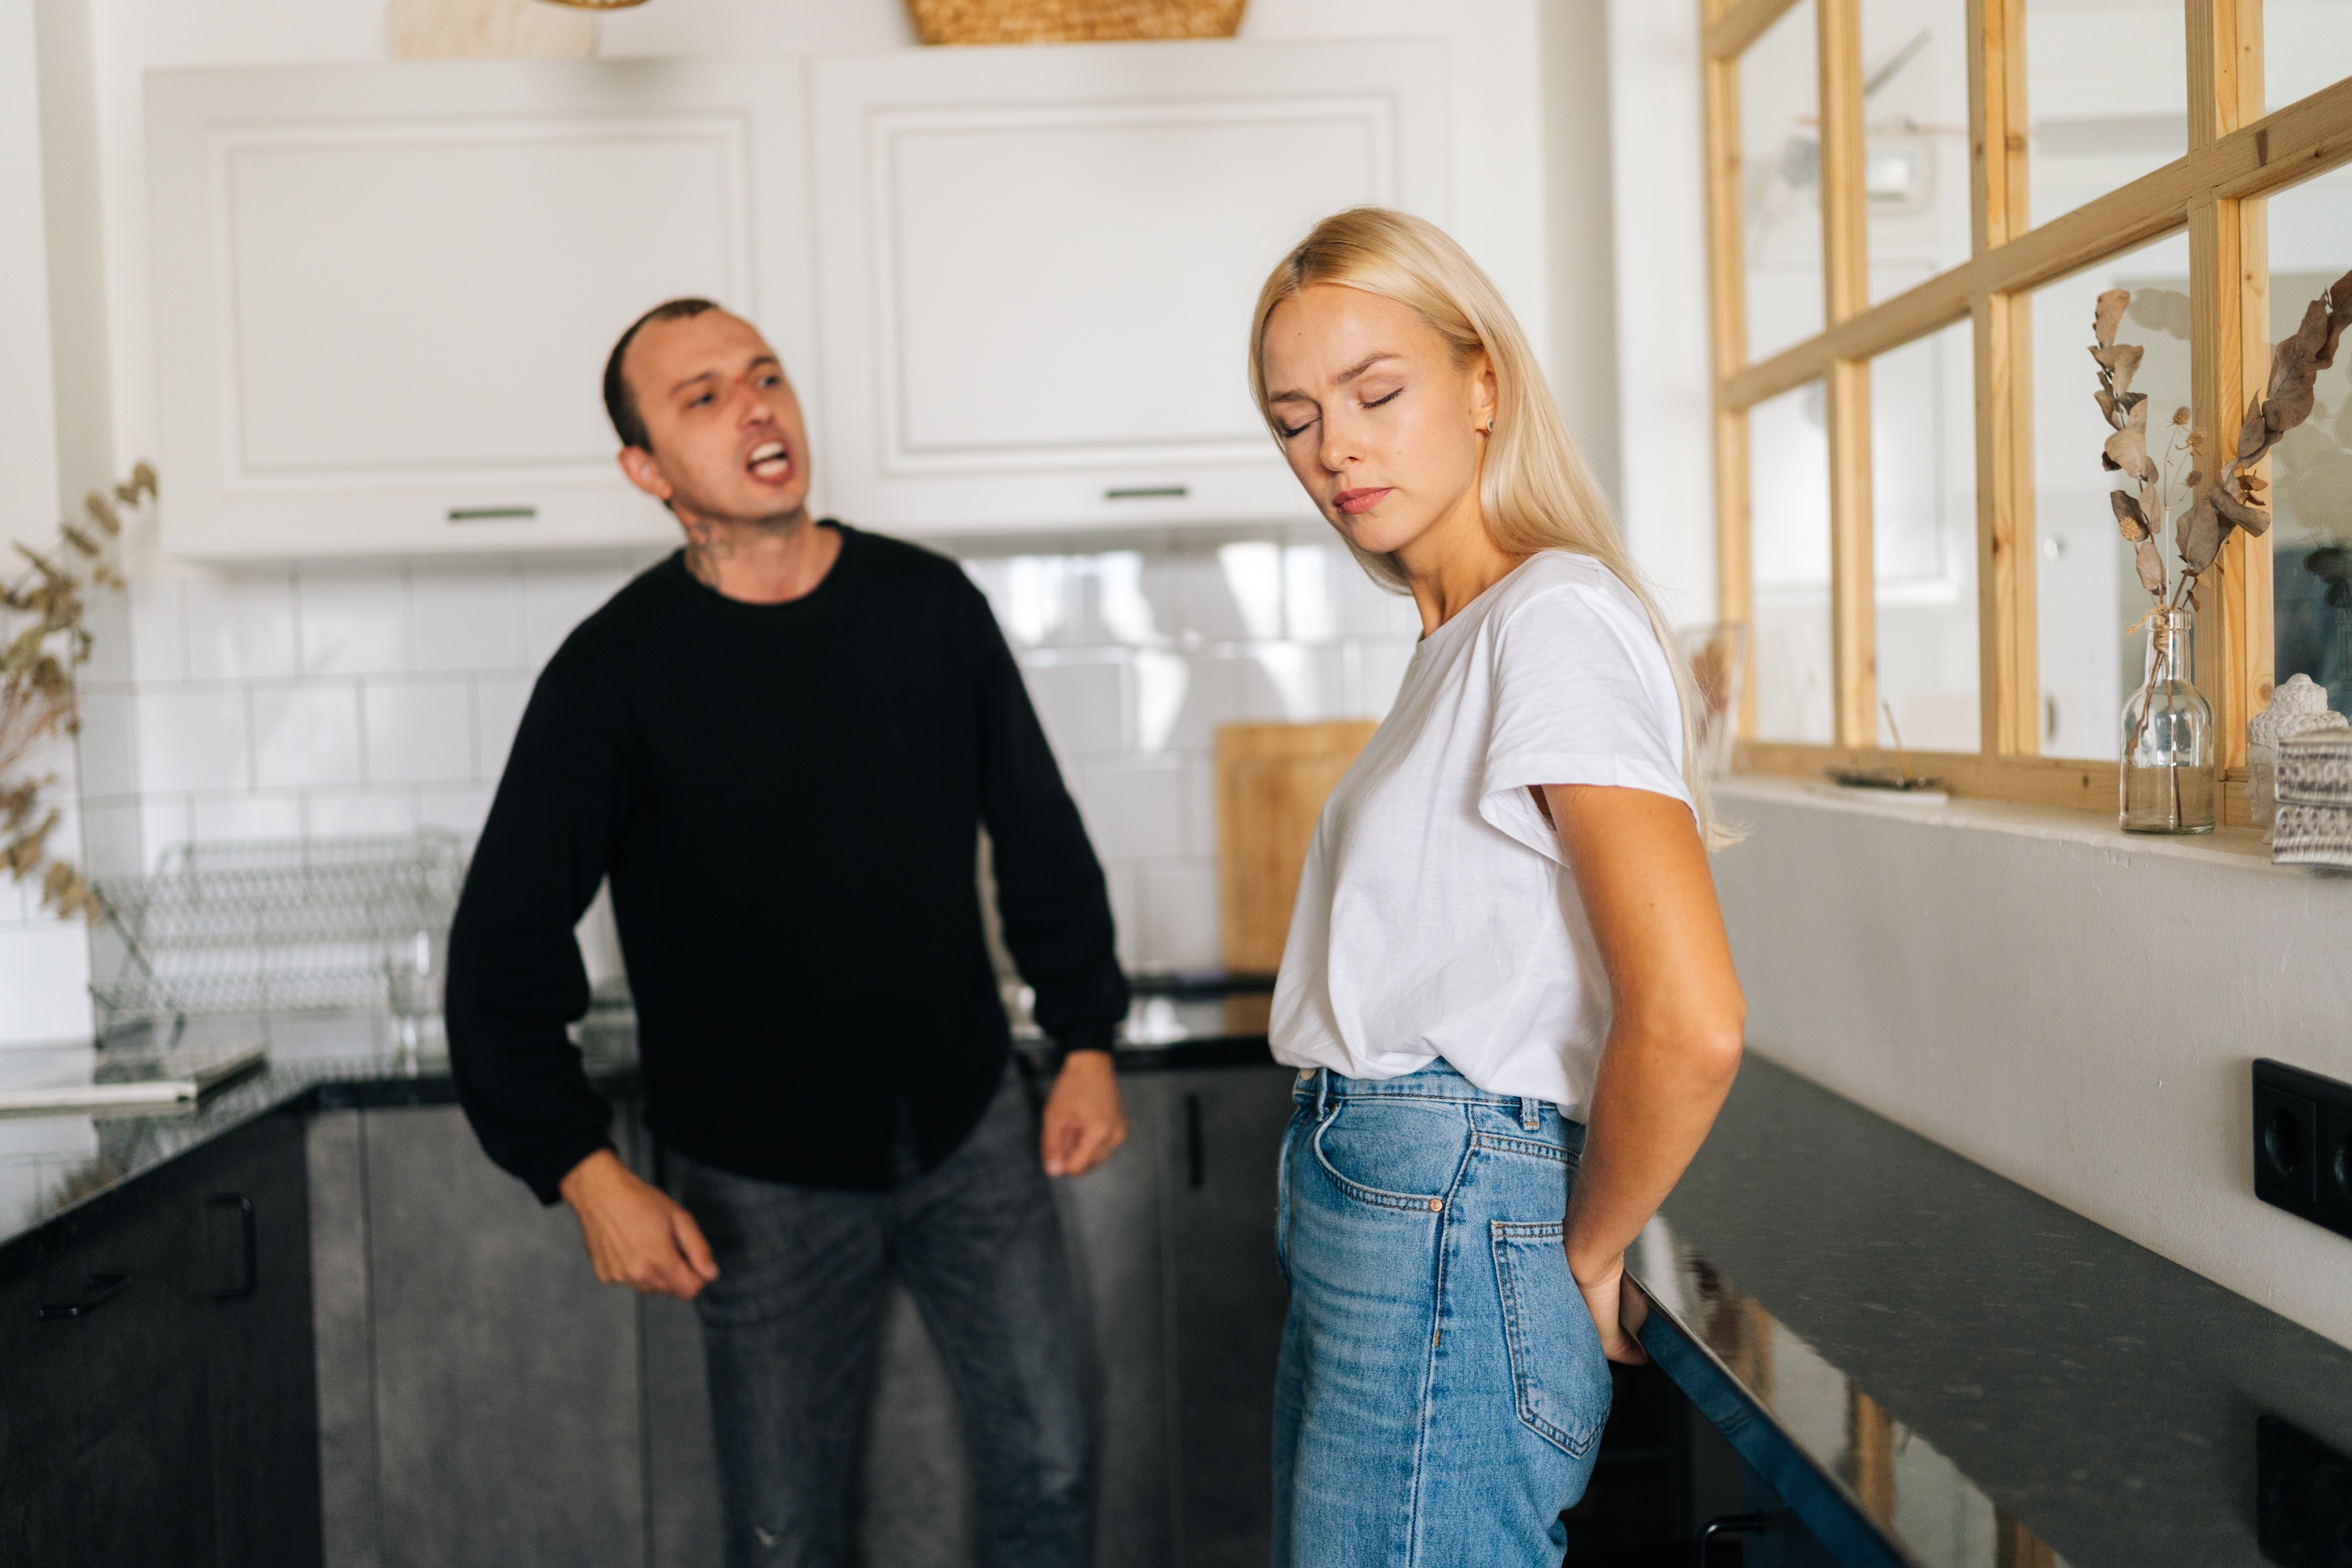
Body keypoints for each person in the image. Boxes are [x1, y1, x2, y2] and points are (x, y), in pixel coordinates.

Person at [445, 297, 1132, 1568]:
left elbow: (1038, 834)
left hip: (974, 1127)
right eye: (702, 396)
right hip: (754, 1176)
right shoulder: (611, 677)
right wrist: (584, 1171)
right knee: (785, 1538)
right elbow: (498, 957)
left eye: (764, 376)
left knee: (1049, 1469)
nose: (757, 404)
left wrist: (1086, 1035)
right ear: (646, 470)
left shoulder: (931, 609)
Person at [1249, 209, 1749, 1566]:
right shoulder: (1467, 637)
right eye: (1295, 419)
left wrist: (1582, 1253)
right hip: (1392, 1195)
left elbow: (1693, 1018)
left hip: (1451, 1203)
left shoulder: (1551, 619)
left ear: (1485, 385)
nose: (1334, 447)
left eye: (1376, 393)